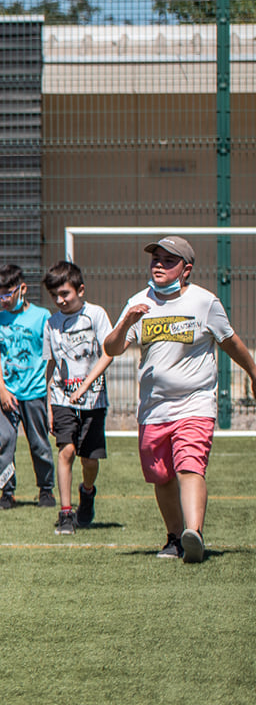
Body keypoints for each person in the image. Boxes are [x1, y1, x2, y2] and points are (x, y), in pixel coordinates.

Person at [101, 235, 256, 563]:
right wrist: (127, 321)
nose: (158, 265)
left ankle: (194, 534)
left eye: (168, 260)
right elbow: (112, 348)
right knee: (161, 476)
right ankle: (174, 538)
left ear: (186, 269)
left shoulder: (204, 302)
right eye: (155, 258)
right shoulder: (138, 302)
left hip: (195, 403)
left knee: (189, 465)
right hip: (153, 408)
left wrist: (254, 372)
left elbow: (230, 342)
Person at [42, 261, 114, 536]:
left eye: (65, 294)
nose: (60, 300)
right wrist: (49, 403)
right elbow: (51, 365)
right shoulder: (52, 324)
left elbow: (108, 353)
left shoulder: (96, 315)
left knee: (89, 459)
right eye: (55, 296)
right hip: (62, 398)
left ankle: (87, 491)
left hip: (93, 400)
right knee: (66, 451)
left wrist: (85, 386)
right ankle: (65, 513)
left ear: (80, 290)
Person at [0, 264, 55, 511]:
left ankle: (46, 489)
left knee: (39, 443)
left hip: (35, 393)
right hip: (7, 393)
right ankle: (7, 492)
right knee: (5, 442)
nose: (3, 300)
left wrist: (48, 391)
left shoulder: (42, 316)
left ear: (22, 289)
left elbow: (50, 356)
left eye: (8, 294)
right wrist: (2, 389)